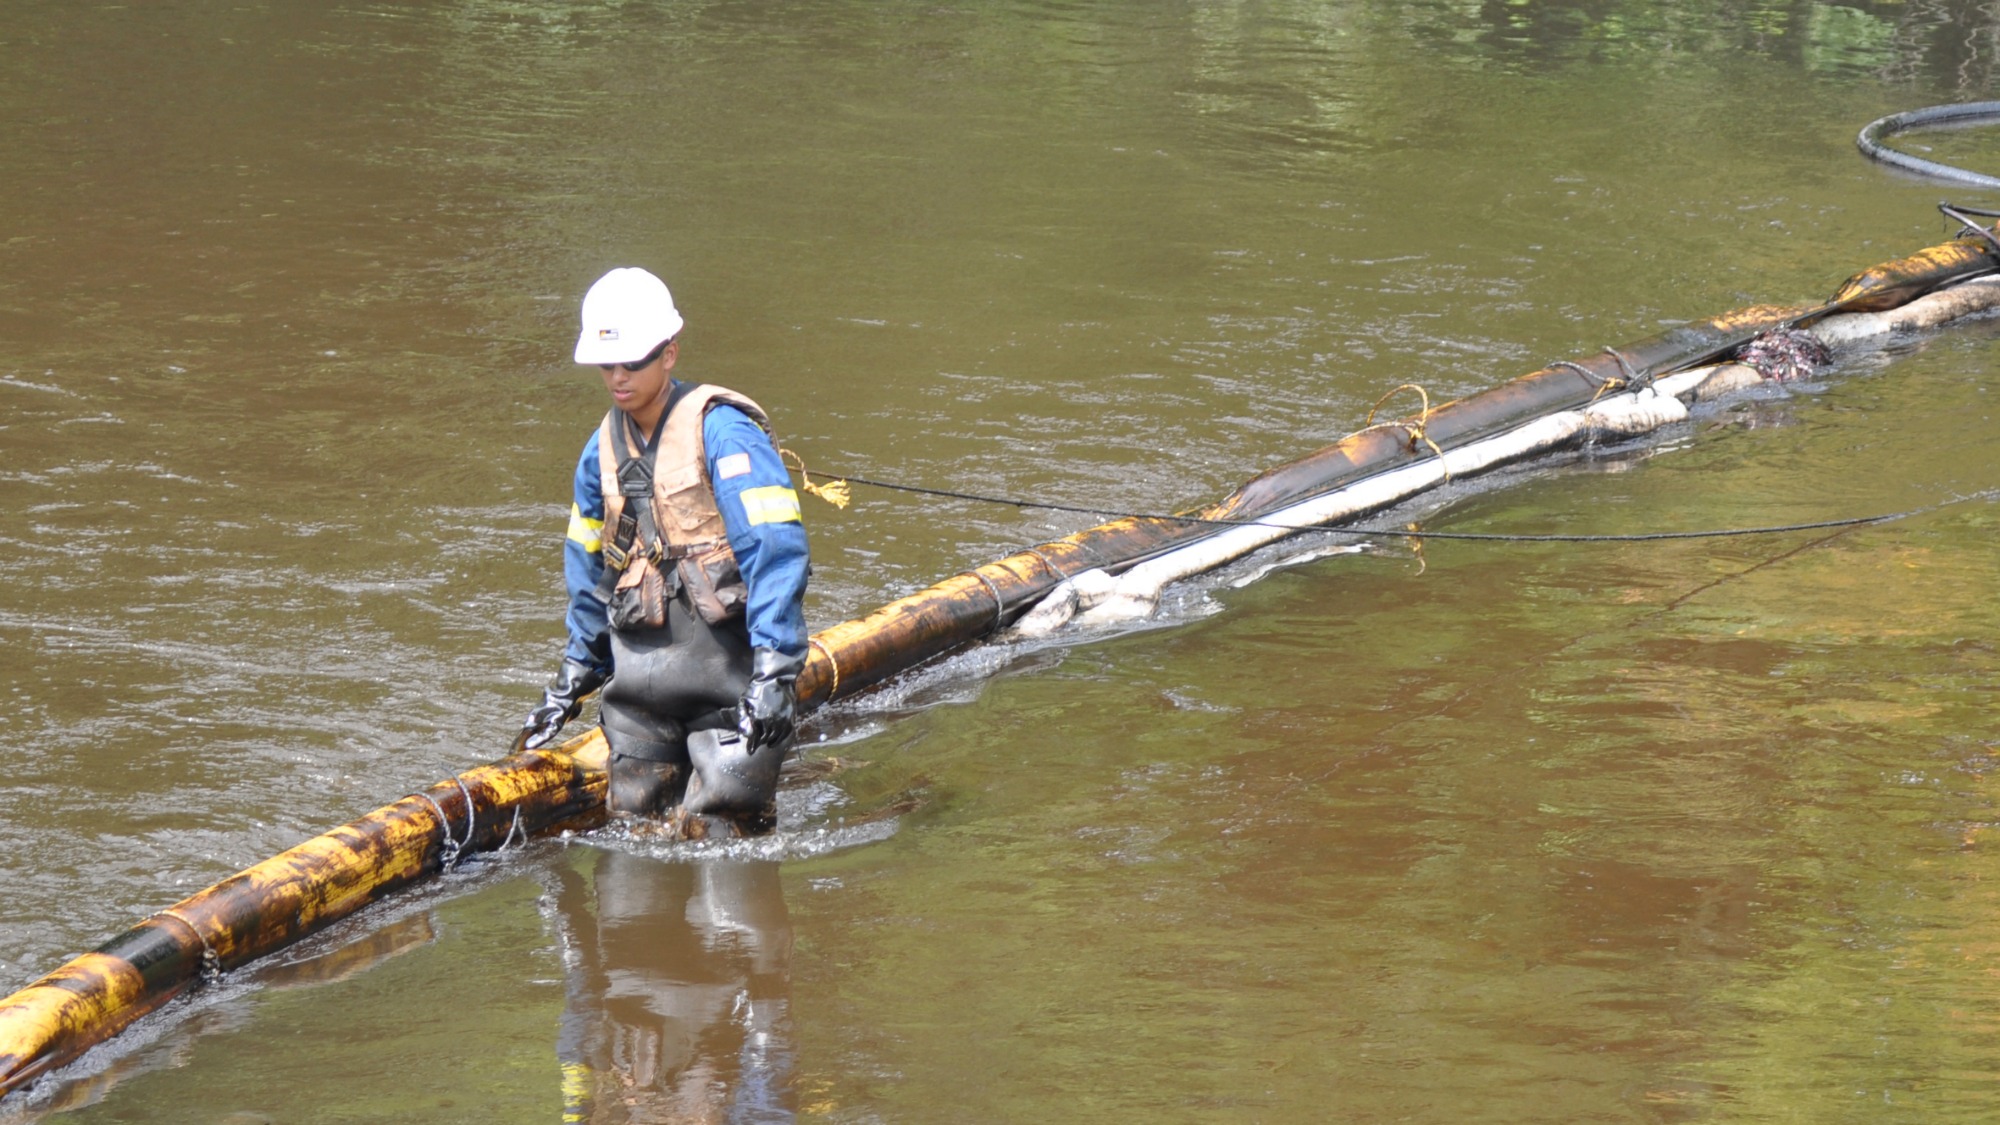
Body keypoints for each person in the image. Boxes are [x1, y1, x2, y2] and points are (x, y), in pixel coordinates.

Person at [518, 267, 810, 837]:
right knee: (633, 852)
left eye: (633, 362)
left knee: (729, 848)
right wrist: (576, 671)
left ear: (669, 354)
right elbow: (590, 571)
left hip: (728, 687)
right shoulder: (599, 452)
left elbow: (775, 550)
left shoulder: (723, 433)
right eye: (607, 365)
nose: (618, 378)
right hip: (640, 690)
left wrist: (774, 674)